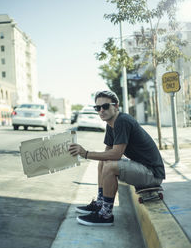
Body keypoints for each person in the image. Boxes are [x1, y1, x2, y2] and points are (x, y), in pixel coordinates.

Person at [69, 90, 165, 226]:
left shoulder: (122, 121)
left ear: (116, 106)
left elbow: (115, 154)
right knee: (103, 163)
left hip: (152, 173)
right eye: (98, 108)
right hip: (142, 168)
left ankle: (105, 215)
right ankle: (101, 203)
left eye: (105, 106)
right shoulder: (110, 124)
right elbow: (107, 152)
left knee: (110, 167)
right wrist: (89, 155)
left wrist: (86, 153)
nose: (101, 110)